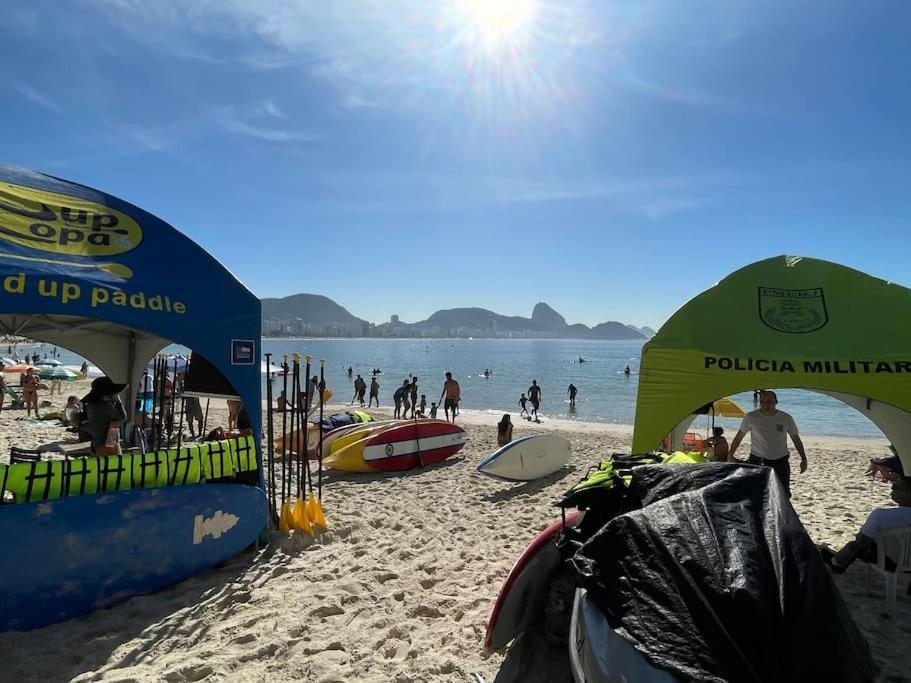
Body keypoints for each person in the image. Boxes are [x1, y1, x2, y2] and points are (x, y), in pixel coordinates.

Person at [820, 463, 911, 577]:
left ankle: (836, 563)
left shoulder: (881, 515)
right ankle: (836, 561)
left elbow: (862, 540)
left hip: (892, 562)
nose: (892, 489)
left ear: (907, 493)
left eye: (895, 487)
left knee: (859, 544)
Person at [727, 390, 807, 497]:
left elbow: (795, 438)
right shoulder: (751, 417)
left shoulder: (786, 418)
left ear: (776, 402)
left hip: (781, 462)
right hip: (758, 461)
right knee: (757, 494)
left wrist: (803, 459)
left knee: (783, 495)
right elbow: (739, 436)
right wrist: (730, 454)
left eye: (769, 401)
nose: (766, 404)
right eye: (762, 402)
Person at [82, 376, 128, 456]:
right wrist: (118, 401)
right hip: (109, 443)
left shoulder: (91, 405)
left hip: (98, 442)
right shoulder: (104, 405)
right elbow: (122, 417)